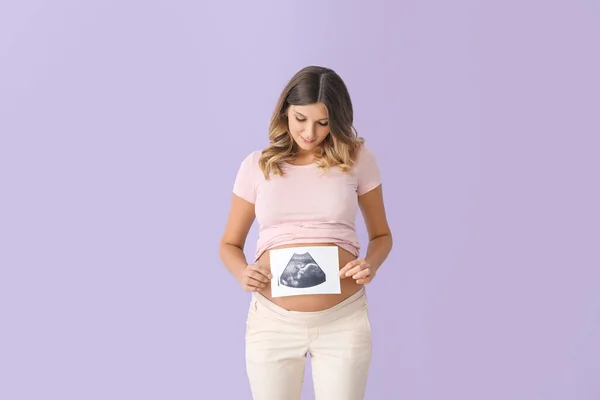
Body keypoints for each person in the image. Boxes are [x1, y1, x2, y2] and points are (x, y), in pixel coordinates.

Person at [219, 65, 393, 400]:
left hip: (343, 321)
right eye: (300, 119)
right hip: (272, 323)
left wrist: (371, 263)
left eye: (322, 122)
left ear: (337, 120)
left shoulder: (358, 159)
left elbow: (382, 236)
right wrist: (243, 272)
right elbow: (229, 244)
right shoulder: (256, 165)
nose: (310, 132)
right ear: (285, 112)